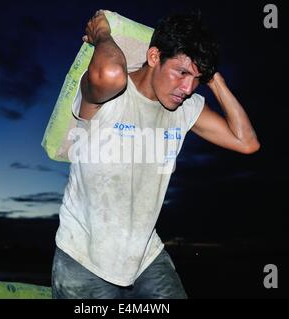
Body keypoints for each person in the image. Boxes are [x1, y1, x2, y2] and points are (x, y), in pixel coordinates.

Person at [51, 9, 260, 299]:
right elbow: (109, 71)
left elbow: (246, 142)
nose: (187, 88)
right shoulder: (109, 94)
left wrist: (213, 79)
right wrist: (102, 34)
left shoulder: (185, 109)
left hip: (145, 255)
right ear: (153, 57)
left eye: (197, 78)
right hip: (83, 257)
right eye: (182, 72)